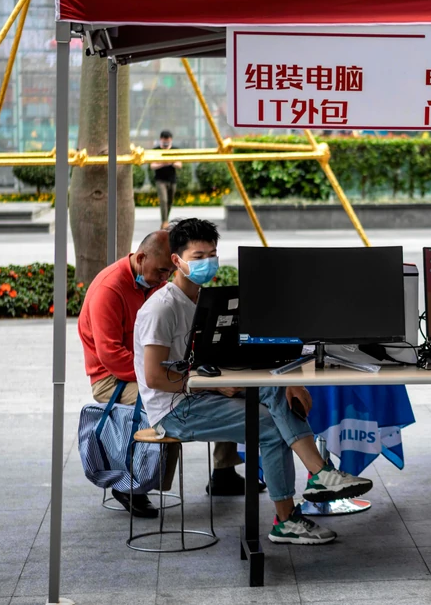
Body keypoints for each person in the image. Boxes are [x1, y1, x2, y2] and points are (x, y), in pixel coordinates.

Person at [134, 218, 373, 544]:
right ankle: (296, 507)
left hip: (201, 395)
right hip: (175, 410)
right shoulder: (161, 309)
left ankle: (315, 481)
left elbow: (224, 357)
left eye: (213, 254)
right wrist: (215, 386)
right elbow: (154, 378)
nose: (208, 262)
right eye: (199, 256)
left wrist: (287, 381)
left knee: (279, 395)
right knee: (272, 428)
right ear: (177, 261)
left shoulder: (203, 300)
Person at [78, 230, 251, 518]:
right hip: (114, 378)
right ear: (141, 257)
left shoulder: (154, 282)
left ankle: (224, 469)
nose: (164, 279)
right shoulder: (109, 290)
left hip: (157, 367)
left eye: (169, 272)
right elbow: (111, 356)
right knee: (166, 401)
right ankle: (133, 485)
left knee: (220, 384)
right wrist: (161, 376)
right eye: (161, 272)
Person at [150, 130, 181, 230]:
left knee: (170, 201)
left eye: (168, 140)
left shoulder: (175, 150)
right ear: (161, 140)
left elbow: (179, 164)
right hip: (160, 180)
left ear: (171, 140)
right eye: (164, 140)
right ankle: (164, 222)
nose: (166, 142)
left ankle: (165, 219)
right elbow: (152, 165)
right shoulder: (156, 150)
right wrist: (163, 163)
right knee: (163, 200)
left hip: (172, 179)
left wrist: (171, 162)